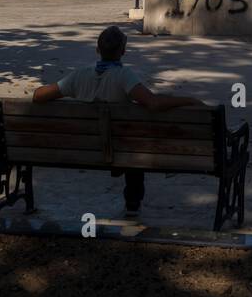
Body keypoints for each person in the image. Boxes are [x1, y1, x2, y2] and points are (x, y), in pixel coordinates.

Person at [32, 25, 203, 218]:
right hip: (121, 149)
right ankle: (132, 203)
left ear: (98, 50)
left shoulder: (79, 76)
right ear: (123, 51)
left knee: (125, 139)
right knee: (134, 144)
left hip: (84, 149)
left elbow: (38, 96)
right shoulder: (124, 76)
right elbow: (153, 103)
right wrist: (188, 100)